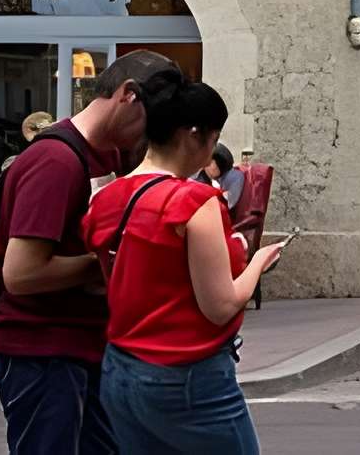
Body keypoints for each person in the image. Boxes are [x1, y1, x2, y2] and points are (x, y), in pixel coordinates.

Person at [0, 50, 181, 455]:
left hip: (81, 344)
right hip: (42, 348)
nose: (152, 136)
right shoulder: (55, 161)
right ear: (128, 95)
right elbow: (20, 274)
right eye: (153, 120)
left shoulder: (107, 155)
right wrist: (108, 263)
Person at [86, 81, 290, 454]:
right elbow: (220, 306)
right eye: (214, 139)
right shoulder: (194, 201)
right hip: (187, 374)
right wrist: (259, 261)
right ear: (193, 136)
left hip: (120, 368)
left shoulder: (106, 199)